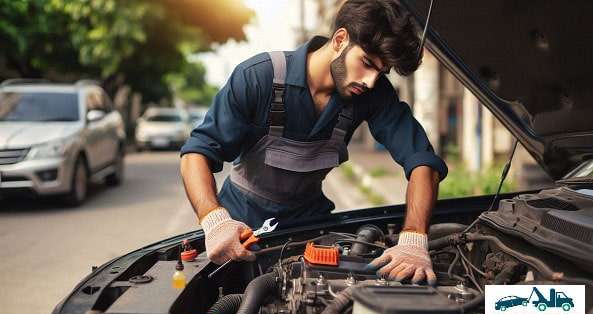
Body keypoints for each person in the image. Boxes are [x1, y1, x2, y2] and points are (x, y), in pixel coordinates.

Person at [180, 0, 447, 285]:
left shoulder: (372, 94)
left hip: (311, 227)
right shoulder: (258, 78)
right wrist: (214, 220)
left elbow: (422, 161)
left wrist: (415, 238)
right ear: (340, 39)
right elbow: (196, 154)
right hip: (241, 228)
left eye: (380, 72)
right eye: (367, 63)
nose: (370, 81)